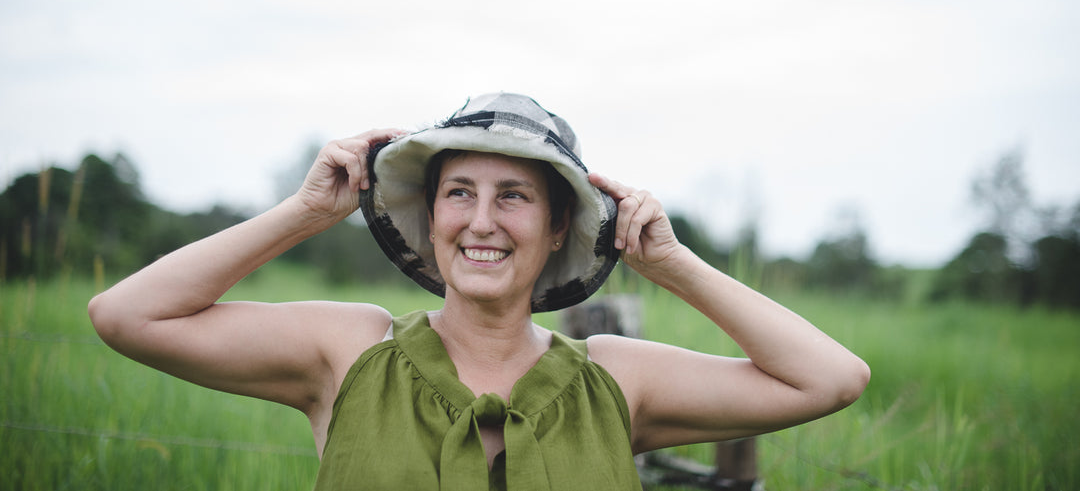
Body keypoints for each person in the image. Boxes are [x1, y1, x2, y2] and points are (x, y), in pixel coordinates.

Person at [89, 93, 870, 490]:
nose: (481, 221)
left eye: (514, 196)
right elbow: (125, 314)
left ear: (560, 225)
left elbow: (832, 378)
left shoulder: (615, 379)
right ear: (429, 216)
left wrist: (671, 265)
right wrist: (305, 214)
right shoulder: (350, 351)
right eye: (458, 192)